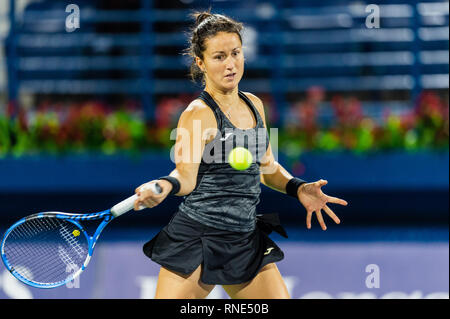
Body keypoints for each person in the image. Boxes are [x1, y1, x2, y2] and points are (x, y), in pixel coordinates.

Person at [134, 11, 348, 299]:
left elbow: (267, 167)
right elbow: (184, 176)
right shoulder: (198, 114)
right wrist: (161, 187)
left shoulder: (255, 105)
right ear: (201, 63)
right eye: (219, 56)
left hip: (244, 237)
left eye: (235, 53)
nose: (231, 64)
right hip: (198, 236)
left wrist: (298, 188)